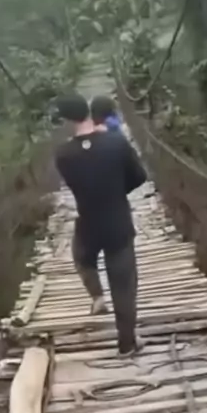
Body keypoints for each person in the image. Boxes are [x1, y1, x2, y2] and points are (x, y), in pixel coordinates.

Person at [54, 93, 147, 357]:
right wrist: (117, 190)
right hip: (118, 222)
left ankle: (96, 295)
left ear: (67, 121)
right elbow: (140, 176)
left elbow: (79, 183)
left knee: (81, 258)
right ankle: (127, 344)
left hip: (88, 225)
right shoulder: (116, 142)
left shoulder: (63, 155)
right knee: (124, 285)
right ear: (89, 112)